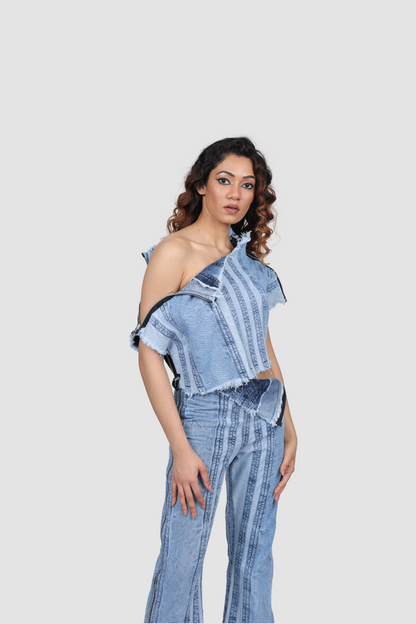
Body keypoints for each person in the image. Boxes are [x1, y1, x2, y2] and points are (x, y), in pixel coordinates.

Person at [130, 136, 298, 623]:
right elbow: (149, 353)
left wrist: (289, 426)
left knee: (255, 558)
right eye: (225, 180)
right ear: (202, 185)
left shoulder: (248, 260)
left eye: (247, 185)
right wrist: (180, 448)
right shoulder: (174, 252)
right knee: (182, 558)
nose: (235, 193)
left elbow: (264, 350)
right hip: (203, 418)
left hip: (264, 419)